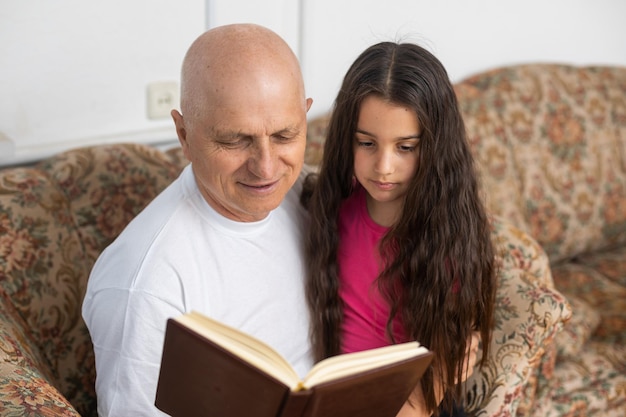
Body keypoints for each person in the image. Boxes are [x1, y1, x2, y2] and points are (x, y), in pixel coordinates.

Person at [82, 24, 314, 416]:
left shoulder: (307, 191)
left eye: (284, 135)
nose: (267, 167)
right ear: (184, 134)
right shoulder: (146, 284)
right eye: (235, 140)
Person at [302, 41, 497, 416]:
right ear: (348, 139)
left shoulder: (448, 235)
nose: (383, 167)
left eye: (405, 147)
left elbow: (438, 378)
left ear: (435, 148)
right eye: (367, 143)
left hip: (416, 403)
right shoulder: (332, 207)